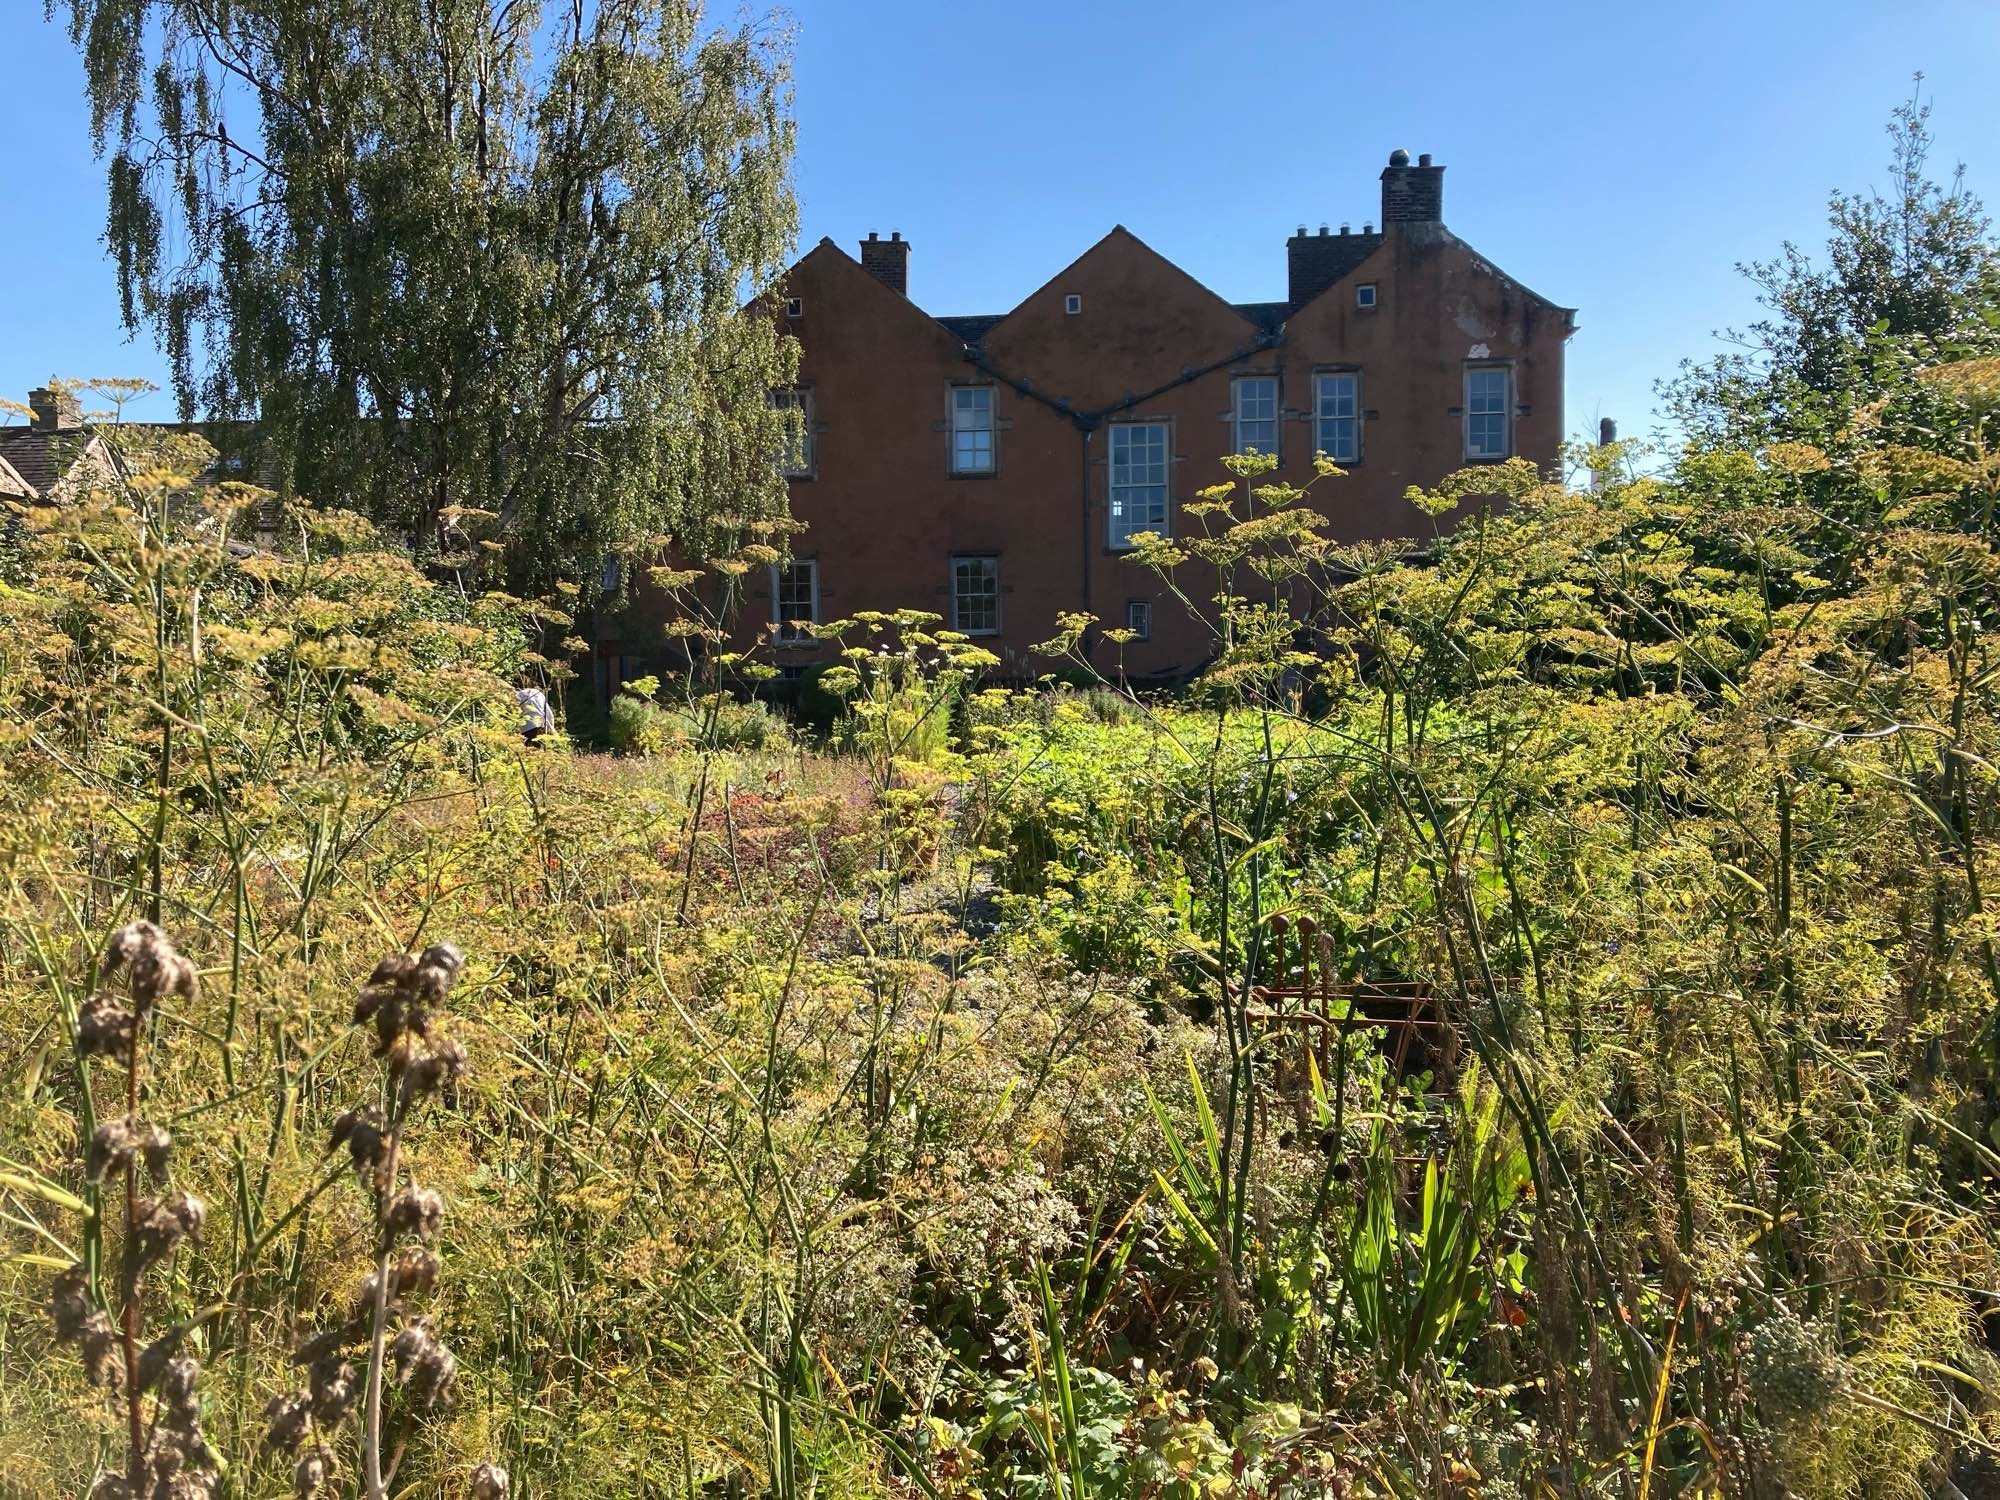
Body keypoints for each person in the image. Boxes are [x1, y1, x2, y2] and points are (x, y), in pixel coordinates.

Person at [515, 675, 556, 746]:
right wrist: (552, 730)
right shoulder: (539, 694)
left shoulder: (517, 695)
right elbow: (550, 715)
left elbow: (515, 713)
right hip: (541, 725)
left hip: (526, 728)